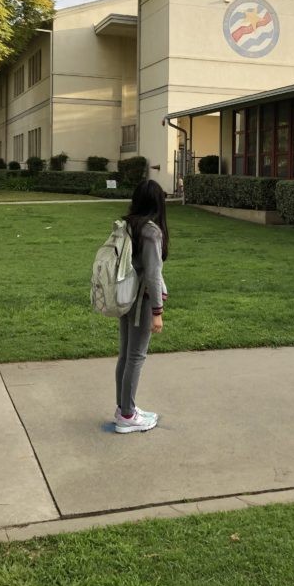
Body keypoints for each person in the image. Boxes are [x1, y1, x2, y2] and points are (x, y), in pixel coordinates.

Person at [114, 179, 169, 433]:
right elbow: (153, 275)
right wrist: (157, 312)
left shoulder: (127, 225)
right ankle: (127, 416)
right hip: (141, 300)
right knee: (136, 356)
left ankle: (124, 408)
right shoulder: (152, 232)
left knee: (126, 355)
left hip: (124, 295)